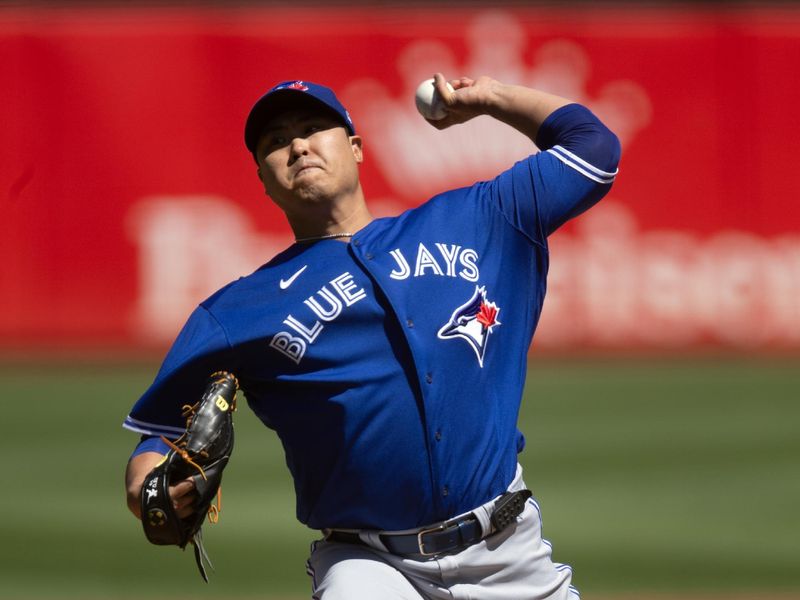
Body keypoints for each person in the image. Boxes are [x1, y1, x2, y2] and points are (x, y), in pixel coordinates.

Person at [124, 73, 620, 599]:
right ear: (263, 180)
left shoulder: (479, 218)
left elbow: (594, 149)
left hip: (507, 555)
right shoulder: (239, 310)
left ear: (357, 148)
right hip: (369, 564)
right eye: (275, 142)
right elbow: (161, 434)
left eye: (315, 128)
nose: (297, 145)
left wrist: (491, 99)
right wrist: (147, 485)